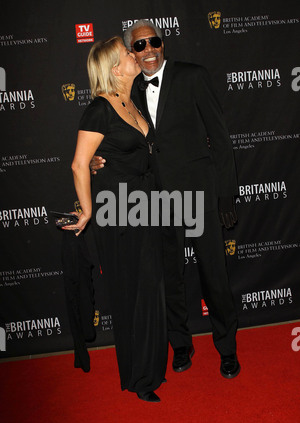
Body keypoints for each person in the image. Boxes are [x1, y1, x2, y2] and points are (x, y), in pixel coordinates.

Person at [91, 20, 241, 379]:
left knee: (214, 275)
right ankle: (181, 345)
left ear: (163, 43)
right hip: (158, 200)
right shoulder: (128, 91)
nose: (148, 50)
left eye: (153, 42)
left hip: (200, 194)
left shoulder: (194, 76)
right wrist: (99, 160)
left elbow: (220, 139)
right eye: (139, 46)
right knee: (170, 277)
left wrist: (225, 195)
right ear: (131, 52)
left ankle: (227, 347)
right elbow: (124, 140)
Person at [64, 36, 168, 402]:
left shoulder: (132, 101)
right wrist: (89, 209)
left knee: (151, 289)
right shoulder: (99, 109)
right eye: (128, 52)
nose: (135, 55)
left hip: (148, 206)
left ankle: (152, 368)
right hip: (118, 212)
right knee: (131, 294)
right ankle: (139, 377)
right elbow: (79, 163)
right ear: (113, 67)